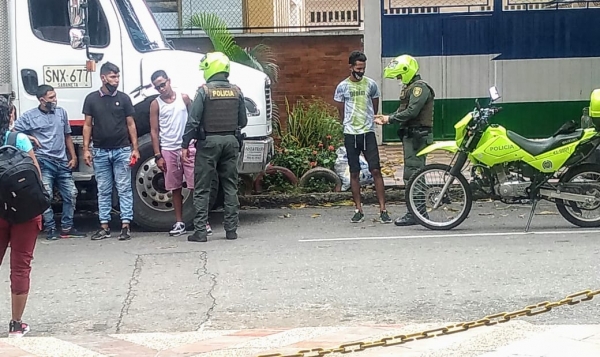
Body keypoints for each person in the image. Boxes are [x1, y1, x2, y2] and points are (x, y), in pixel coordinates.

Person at [181, 52, 248, 242]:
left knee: (202, 188)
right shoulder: (237, 91)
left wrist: (185, 144)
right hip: (231, 142)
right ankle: (231, 230)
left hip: (208, 143)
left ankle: (200, 231)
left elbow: (193, 121)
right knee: (230, 186)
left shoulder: (204, 91)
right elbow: (242, 121)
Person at [13, 85, 86, 240]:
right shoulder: (29, 116)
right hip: (43, 161)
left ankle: (67, 227)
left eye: (55, 96)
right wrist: (30, 138)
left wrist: (73, 157)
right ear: (42, 100)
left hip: (62, 161)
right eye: (51, 97)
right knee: (46, 196)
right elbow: (13, 131)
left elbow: (67, 136)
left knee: (71, 194)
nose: (55, 100)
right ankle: (50, 228)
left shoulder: (61, 113)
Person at [149, 70, 214, 236]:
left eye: (163, 84)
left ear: (169, 81)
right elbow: (154, 131)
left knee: (195, 185)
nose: (162, 89)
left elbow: (195, 120)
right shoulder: (156, 104)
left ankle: (202, 221)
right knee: (174, 187)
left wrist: (197, 141)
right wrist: (158, 155)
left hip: (187, 147)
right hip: (168, 149)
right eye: (158, 87)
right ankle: (179, 222)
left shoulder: (183, 98)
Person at [0, 96, 43, 337]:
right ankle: (16, 325)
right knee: (20, 267)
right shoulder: (20, 140)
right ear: (9, 117)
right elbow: (35, 174)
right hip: (25, 212)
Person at [375, 54, 435, 226]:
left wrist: (389, 119)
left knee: (414, 174)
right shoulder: (411, 88)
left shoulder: (419, 88)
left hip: (418, 136)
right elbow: (403, 110)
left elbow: (412, 112)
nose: (399, 80)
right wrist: (388, 117)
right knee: (412, 174)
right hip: (412, 135)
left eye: (400, 76)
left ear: (407, 72)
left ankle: (417, 214)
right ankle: (417, 212)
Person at [82, 62, 140, 241]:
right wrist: (86, 149)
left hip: (122, 150)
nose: (116, 80)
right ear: (103, 77)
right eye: (113, 76)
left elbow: (131, 124)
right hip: (100, 151)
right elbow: (87, 125)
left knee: (124, 189)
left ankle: (125, 226)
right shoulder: (91, 99)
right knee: (104, 189)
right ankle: (104, 226)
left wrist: (135, 148)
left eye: (117, 76)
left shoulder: (124, 99)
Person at [334, 51, 391, 224]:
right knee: (354, 172)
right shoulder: (342, 87)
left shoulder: (371, 85)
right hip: (351, 133)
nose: (361, 71)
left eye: (363, 68)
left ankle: (383, 209)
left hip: (368, 132)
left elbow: (374, 107)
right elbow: (340, 110)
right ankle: (358, 209)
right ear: (351, 67)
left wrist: (370, 120)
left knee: (375, 170)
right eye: (358, 68)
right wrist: (347, 124)